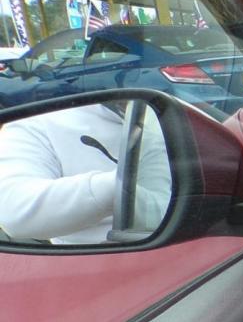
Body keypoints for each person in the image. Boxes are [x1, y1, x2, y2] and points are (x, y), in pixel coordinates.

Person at [0, 101, 171, 244]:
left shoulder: (161, 111)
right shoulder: (36, 123)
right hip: (87, 266)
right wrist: (115, 189)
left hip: (173, 254)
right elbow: (14, 210)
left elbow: (166, 201)